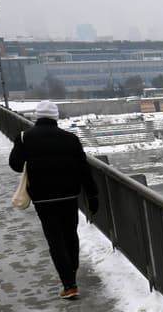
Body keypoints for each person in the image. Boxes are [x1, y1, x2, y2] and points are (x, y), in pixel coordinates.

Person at [8, 100, 99, 299]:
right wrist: (92, 195)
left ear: (37, 116)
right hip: (68, 195)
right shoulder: (70, 139)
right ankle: (71, 271)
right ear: (56, 117)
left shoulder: (24, 138)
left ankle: (69, 284)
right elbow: (84, 169)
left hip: (43, 198)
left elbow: (15, 165)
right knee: (70, 234)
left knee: (55, 240)